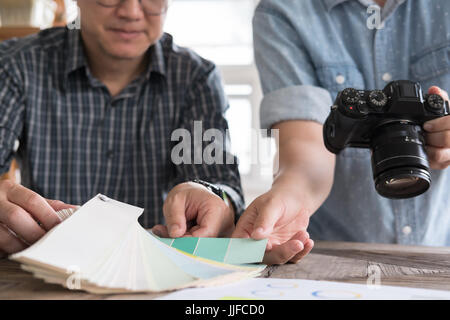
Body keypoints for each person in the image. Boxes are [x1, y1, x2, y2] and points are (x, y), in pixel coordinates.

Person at [0, 0, 244, 257]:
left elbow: (220, 184)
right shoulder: (14, 65)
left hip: (156, 271)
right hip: (44, 269)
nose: (130, 12)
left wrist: (215, 199)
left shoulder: (196, 78)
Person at [232, 0, 450, 264]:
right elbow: (306, 148)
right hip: (335, 259)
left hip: (440, 248)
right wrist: (286, 202)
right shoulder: (284, 11)